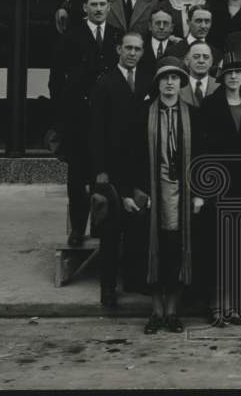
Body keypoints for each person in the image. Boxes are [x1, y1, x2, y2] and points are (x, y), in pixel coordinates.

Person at [133, 57, 205, 334]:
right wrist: (138, 191)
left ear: (182, 83)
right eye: (165, 78)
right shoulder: (143, 114)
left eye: (175, 78)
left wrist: (199, 193)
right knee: (154, 250)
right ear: (158, 83)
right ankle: (156, 311)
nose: (170, 83)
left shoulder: (193, 116)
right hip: (153, 193)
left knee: (176, 251)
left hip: (183, 196)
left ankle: (173, 311)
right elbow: (134, 156)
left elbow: (201, 157)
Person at [53, 0, 122, 247]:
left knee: (103, 176)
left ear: (108, 7)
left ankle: (101, 228)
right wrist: (62, 120)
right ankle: (77, 229)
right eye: (93, 5)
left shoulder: (117, 35)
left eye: (103, 4)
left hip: (106, 120)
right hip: (79, 119)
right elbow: (56, 81)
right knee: (77, 180)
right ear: (85, 8)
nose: (98, 9)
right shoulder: (70, 37)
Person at [88, 32, 152, 307]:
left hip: (139, 167)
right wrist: (101, 172)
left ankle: (134, 280)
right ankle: (108, 288)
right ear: (118, 50)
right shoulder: (104, 83)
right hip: (112, 169)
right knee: (111, 234)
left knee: (137, 228)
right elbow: (95, 132)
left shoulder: (148, 82)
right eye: (128, 48)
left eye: (137, 49)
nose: (132, 53)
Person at [199, 56, 241, 325]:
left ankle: (236, 305)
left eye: (239, 73)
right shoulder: (210, 105)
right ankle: (217, 305)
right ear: (221, 77)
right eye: (229, 73)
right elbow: (203, 151)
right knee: (218, 248)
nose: (234, 77)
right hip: (220, 187)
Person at [139, 6, 187, 76]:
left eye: (165, 23)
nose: (161, 27)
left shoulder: (179, 47)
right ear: (150, 26)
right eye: (158, 23)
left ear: (172, 28)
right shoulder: (140, 46)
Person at [180, 41, 218, 108]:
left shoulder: (219, 86)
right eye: (196, 57)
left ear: (211, 61)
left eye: (206, 57)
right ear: (186, 61)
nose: (201, 61)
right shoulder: (179, 86)